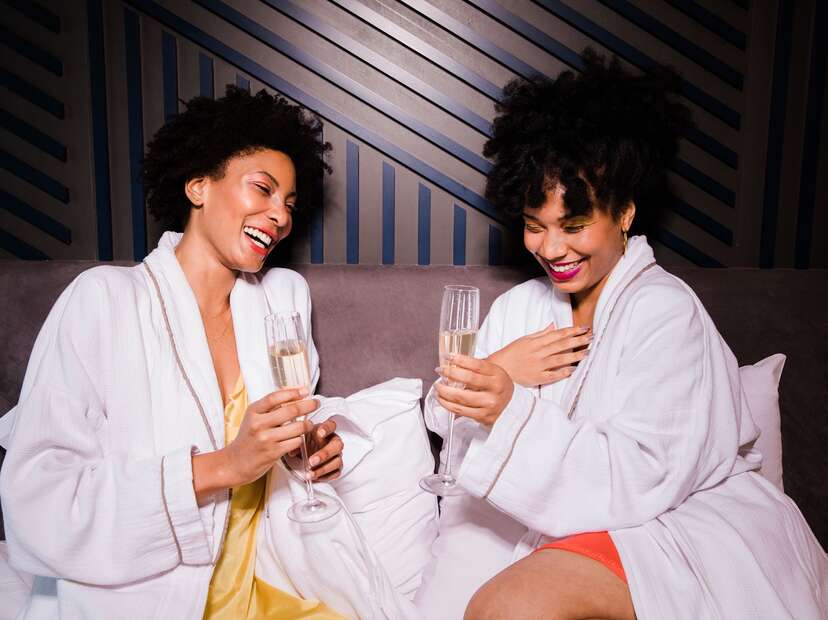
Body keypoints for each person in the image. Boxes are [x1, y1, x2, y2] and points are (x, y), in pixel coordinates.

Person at [414, 51, 827, 619]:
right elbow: (444, 422)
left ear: (625, 213)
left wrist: (510, 409)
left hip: (674, 519)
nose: (551, 249)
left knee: (512, 606)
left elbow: (642, 475)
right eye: (534, 226)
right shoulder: (518, 308)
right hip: (557, 526)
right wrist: (501, 371)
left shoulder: (665, 312)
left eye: (574, 226)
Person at [0, 87, 432, 619]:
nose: (280, 216)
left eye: (289, 205)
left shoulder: (282, 301)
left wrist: (305, 455)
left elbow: (285, 446)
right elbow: (39, 502)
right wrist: (225, 465)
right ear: (198, 186)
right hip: (150, 600)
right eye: (263, 189)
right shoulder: (104, 300)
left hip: (266, 587)